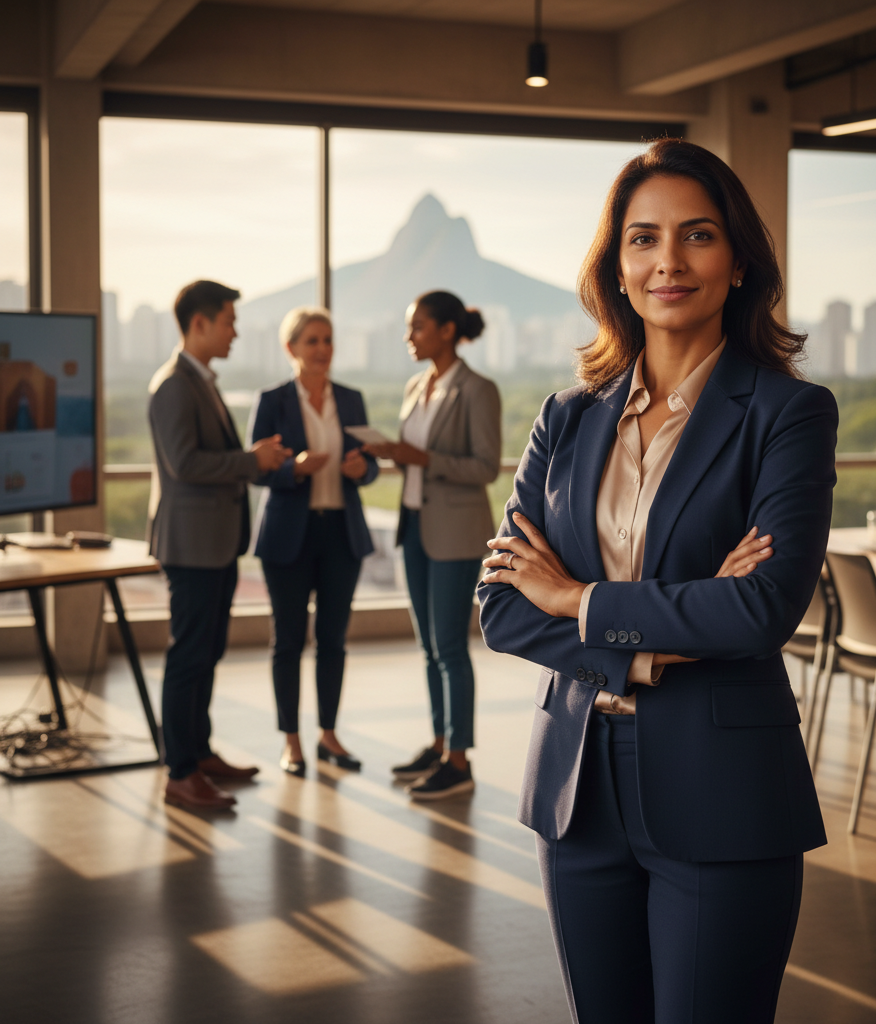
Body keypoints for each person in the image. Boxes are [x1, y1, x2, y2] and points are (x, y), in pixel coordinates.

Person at [478, 139, 837, 1024]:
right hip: (578, 786)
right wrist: (648, 646)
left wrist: (576, 598)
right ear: (617, 266)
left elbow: (760, 608)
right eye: (643, 239)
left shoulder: (789, 414)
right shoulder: (565, 418)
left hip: (724, 788)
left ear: (739, 259)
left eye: (697, 235)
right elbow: (499, 607)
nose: (668, 261)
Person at [149, 280, 291, 812]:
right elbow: (185, 464)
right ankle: (179, 772)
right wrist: (251, 460)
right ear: (200, 322)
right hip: (191, 545)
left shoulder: (199, 381)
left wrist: (257, 461)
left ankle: (199, 753)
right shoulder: (173, 385)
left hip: (212, 542)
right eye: (229, 320)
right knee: (189, 656)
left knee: (206, 652)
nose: (235, 330)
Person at [362, 291, 500, 801]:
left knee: (449, 648)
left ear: (446, 330)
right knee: (427, 647)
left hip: (455, 534)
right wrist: (395, 455)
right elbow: (416, 461)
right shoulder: (417, 385)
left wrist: (419, 455)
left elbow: (485, 467)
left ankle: (459, 762)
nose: (408, 337)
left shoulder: (477, 389)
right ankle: (440, 743)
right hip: (415, 528)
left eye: (417, 327)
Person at [248, 307, 379, 776]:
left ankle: (328, 734)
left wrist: (364, 470)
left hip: (340, 533)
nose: (323, 349)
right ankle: (290, 741)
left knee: (333, 641)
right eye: (312, 341)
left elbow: (371, 462)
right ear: (291, 349)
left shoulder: (350, 398)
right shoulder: (273, 401)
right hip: (288, 535)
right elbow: (255, 469)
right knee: (287, 641)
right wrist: (292, 469)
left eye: (327, 340)